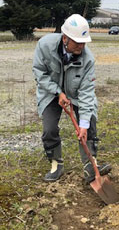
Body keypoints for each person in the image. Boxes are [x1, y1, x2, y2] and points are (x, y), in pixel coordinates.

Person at [32, 14, 111, 183]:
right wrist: (57, 92)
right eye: (77, 42)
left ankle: (90, 165)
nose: (81, 47)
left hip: (76, 94)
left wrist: (83, 125)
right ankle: (56, 164)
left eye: (84, 43)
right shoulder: (45, 46)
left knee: (89, 124)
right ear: (65, 38)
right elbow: (39, 72)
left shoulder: (87, 59)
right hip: (50, 93)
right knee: (49, 129)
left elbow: (87, 92)